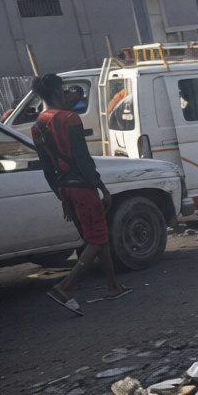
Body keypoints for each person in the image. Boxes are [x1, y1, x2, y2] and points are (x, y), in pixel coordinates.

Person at [30, 73, 128, 314]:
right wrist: (102, 187)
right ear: (55, 92)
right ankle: (64, 287)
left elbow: (47, 168)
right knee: (95, 239)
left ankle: (113, 285)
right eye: (63, 90)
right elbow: (83, 160)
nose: (66, 94)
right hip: (82, 186)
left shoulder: (37, 124)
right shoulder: (70, 119)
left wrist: (60, 195)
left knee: (98, 233)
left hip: (65, 187)